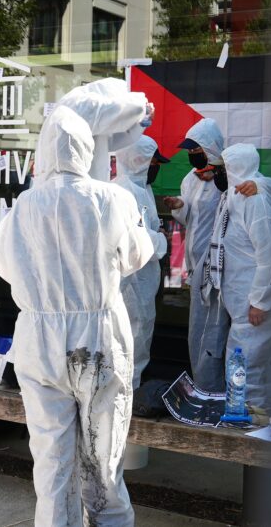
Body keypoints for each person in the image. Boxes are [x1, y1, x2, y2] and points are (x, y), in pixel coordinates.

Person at [0, 106, 154, 526]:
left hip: (38, 338)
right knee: (103, 462)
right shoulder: (112, 198)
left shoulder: (25, 205)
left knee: (50, 462)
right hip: (97, 338)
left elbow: (1, 260)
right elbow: (136, 256)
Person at [201, 144, 271, 411]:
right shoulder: (236, 195)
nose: (218, 174)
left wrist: (261, 301)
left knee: (245, 367)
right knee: (257, 367)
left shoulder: (255, 201)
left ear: (233, 169)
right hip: (245, 300)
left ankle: (249, 422)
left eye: (221, 169)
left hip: (256, 302)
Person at [163, 119, 227, 395]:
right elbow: (190, 215)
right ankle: (203, 385)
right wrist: (179, 205)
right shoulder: (190, 178)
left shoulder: (226, 178)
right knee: (198, 328)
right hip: (196, 260)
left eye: (196, 150)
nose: (192, 156)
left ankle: (214, 388)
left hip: (220, 264)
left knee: (215, 327)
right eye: (189, 152)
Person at [112, 136, 168, 389]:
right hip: (129, 282)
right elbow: (137, 240)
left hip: (143, 281)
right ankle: (124, 394)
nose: (156, 167)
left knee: (139, 338)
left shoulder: (141, 188)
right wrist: (160, 239)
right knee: (128, 340)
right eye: (153, 162)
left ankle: (129, 392)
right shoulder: (123, 191)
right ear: (138, 161)